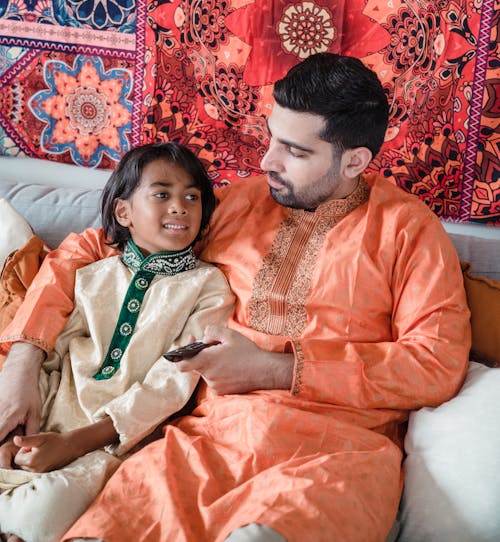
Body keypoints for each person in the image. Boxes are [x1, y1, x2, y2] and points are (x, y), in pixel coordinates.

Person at [0, 53, 470, 542]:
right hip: (201, 444)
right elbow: (95, 247)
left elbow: (436, 363)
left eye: (296, 151)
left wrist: (276, 369)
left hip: (334, 457)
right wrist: (22, 364)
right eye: (272, 137)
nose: (268, 160)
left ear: (354, 160)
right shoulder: (240, 203)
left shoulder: (407, 230)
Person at [0, 143, 233, 542]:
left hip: (110, 442)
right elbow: (54, 358)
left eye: (191, 196)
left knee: (44, 512)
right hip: (45, 420)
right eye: (162, 194)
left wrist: (74, 443)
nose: (180, 206)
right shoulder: (93, 274)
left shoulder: (209, 287)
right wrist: (10, 435)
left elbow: (171, 384)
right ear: (123, 213)